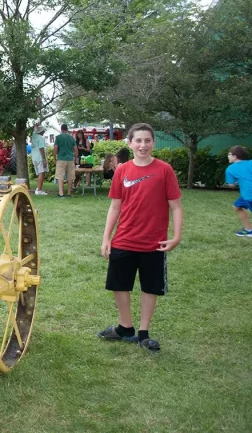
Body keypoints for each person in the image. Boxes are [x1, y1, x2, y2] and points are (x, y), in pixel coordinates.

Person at [99, 123, 182, 353]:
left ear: (153, 143)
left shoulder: (164, 170)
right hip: (124, 239)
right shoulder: (123, 171)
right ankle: (125, 326)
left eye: (147, 141)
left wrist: (176, 236)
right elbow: (115, 207)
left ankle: (143, 333)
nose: (143, 145)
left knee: (150, 287)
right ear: (130, 143)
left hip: (154, 243)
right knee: (119, 284)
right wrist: (107, 238)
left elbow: (175, 206)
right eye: (138, 141)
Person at [225, 145, 252, 237]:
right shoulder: (250, 163)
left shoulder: (230, 169)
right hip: (245, 195)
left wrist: (235, 182)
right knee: (237, 206)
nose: (228, 156)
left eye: (229, 154)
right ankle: (248, 230)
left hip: (249, 195)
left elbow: (231, 185)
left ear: (235, 156)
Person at [53, 124, 77, 197]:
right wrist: (75, 159)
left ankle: (61, 193)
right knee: (70, 176)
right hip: (70, 159)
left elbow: (55, 148)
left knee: (60, 176)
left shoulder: (58, 137)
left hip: (61, 159)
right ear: (67, 129)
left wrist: (54, 158)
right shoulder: (71, 138)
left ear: (61, 129)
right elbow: (76, 150)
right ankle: (69, 193)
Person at [31, 124, 48, 195]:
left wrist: (36, 125)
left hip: (34, 157)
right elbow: (41, 149)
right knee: (42, 173)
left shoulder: (33, 136)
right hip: (39, 157)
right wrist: (44, 159)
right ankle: (39, 190)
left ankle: (38, 188)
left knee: (39, 173)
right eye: (43, 131)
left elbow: (34, 130)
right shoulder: (41, 138)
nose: (44, 132)